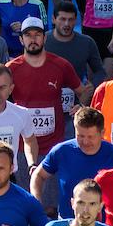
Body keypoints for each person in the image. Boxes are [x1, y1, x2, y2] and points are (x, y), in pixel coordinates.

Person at [6, 17, 93, 168]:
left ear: (45, 38)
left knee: (52, 191)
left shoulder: (61, 65)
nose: (33, 39)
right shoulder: (11, 69)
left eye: (37, 34)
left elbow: (83, 91)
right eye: (28, 35)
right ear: (21, 40)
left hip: (54, 147)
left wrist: (82, 105)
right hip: (22, 146)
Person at [33, 107, 113, 219]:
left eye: (91, 137)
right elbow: (38, 175)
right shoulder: (62, 151)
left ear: (102, 133)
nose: (85, 142)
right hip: (67, 225)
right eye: (80, 136)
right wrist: (36, 203)